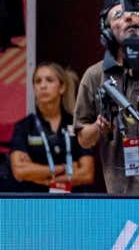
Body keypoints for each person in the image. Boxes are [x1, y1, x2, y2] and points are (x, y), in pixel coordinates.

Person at [74, 3, 139, 194]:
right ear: (107, 33)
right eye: (118, 15)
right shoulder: (94, 76)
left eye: (134, 13)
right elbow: (83, 139)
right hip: (123, 192)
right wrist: (98, 127)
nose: (128, 18)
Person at [9, 62, 94, 193]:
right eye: (38, 81)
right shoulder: (24, 127)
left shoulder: (77, 124)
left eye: (49, 80)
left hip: (73, 205)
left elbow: (87, 174)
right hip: (34, 204)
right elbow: (20, 171)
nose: (43, 86)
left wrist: (38, 174)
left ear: (62, 87)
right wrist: (63, 169)